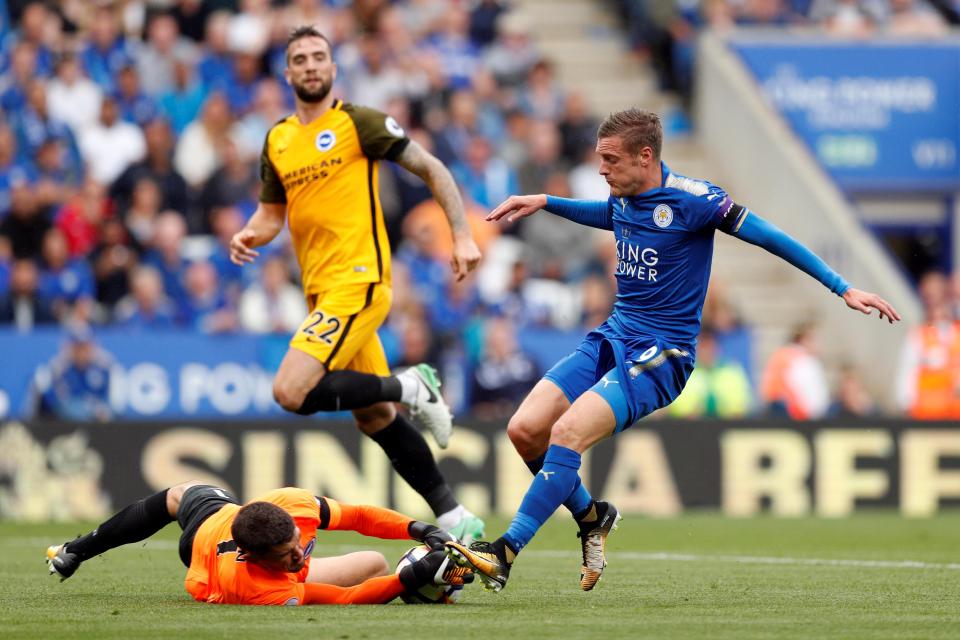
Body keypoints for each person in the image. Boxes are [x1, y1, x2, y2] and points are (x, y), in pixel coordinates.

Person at [444, 108, 900, 593]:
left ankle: (504, 552)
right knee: (524, 430)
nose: (601, 169)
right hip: (615, 333)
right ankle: (593, 516)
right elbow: (608, 215)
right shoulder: (623, 194)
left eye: (610, 160)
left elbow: (772, 237)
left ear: (646, 156)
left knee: (567, 432)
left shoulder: (697, 200)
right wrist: (546, 201)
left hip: (663, 354)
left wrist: (841, 287)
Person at [228, 26, 484, 542]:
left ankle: (414, 385)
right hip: (322, 291)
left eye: (318, 56)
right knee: (373, 415)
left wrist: (460, 235)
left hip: (360, 280)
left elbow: (431, 168)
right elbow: (271, 214)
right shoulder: (278, 138)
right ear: (287, 72)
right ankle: (459, 520)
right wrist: (249, 233)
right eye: (299, 58)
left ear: (333, 66)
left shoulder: (357, 123)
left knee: (290, 391)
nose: (309, 65)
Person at [46, 482, 472, 605]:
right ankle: (79, 549)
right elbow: (346, 600)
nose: (298, 554)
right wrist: (411, 576)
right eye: (288, 556)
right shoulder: (252, 584)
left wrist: (422, 530)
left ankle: (76, 549)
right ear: (254, 555)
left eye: (297, 542)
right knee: (384, 576)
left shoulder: (292, 505)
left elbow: (359, 516)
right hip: (203, 541)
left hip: (226, 511)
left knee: (181, 493)